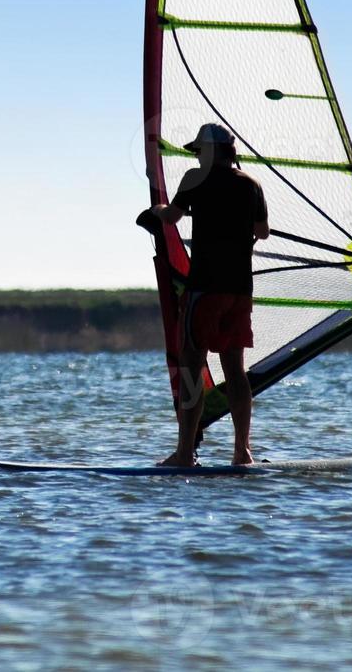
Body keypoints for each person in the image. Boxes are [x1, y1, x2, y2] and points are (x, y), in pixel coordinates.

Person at [141, 124, 268, 467]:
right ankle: (243, 451)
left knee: (191, 368)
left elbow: (171, 216)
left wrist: (156, 210)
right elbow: (262, 232)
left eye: (199, 151)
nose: (196, 156)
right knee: (235, 370)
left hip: (205, 289)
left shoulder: (195, 179)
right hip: (240, 290)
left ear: (208, 153)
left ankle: (184, 453)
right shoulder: (251, 184)